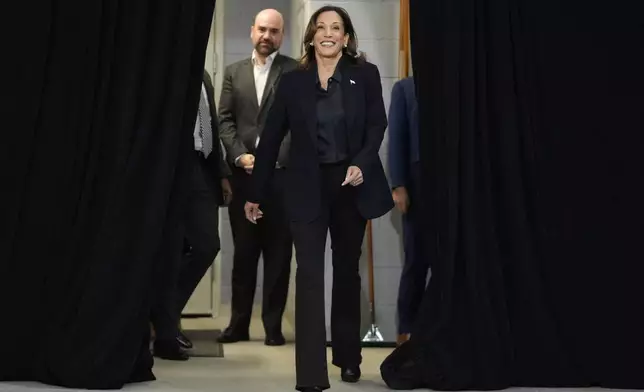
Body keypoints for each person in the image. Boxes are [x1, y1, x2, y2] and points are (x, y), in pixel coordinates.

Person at [244, 5, 393, 391]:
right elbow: (272, 137)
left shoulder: (366, 74)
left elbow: (378, 124)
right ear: (311, 36)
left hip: (350, 185)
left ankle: (347, 356)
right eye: (321, 27)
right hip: (307, 187)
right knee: (309, 274)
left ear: (346, 37)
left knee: (346, 271)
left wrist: (361, 162)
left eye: (336, 27)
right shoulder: (294, 82)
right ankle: (310, 376)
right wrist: (255, 193)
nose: (328, 33)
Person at [218, 8, 298, 346]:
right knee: (244, 255)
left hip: (281, 179)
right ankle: (237, 325)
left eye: (274, 31)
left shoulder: (296, 71)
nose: (267, 36)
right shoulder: (233, 73)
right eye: (262, 30)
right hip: (244, 178)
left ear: (282, 35)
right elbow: (224, 120)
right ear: (253, 31)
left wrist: (269, 159)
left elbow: (299, 124)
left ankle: (273, 327)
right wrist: (239, 155)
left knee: (279, 257)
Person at [150, 70, 232, 361]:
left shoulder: (204, 76)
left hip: (201, 168)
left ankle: (162, 314)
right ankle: (167, 333)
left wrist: (222, 175)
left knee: (208, 245)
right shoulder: (164, 67)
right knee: (170, 251)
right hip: (168, 167)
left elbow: (210, 124)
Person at [387, 76, 428, 346]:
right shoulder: (406, 88)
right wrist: (399, 184)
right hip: (418, 183)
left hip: (454, 183)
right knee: (416, 259)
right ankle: (406, 332)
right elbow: (397, 139)